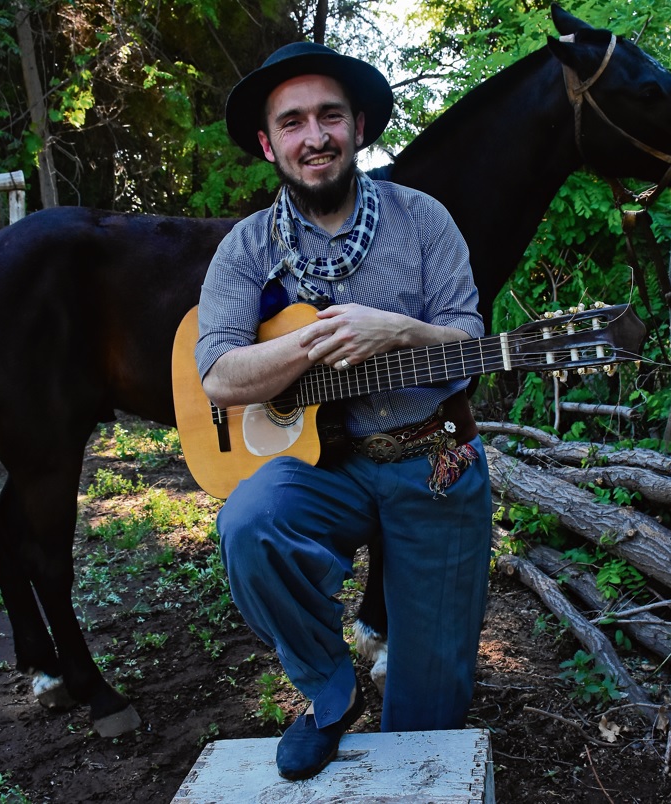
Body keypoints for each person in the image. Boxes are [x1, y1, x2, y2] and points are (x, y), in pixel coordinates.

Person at [195, 41, 492, 782]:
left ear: (359, 126)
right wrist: (308, 349)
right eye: (292, 122)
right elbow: (218, 375)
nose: (314, 135)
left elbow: (471, 336)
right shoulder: (244, 249)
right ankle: (331, 691)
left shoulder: (424, 220)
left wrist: (399, 331)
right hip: (320, 465)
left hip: (432, 461)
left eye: (330, 115)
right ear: (269, 144)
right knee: (248, 524)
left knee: (429, 710)